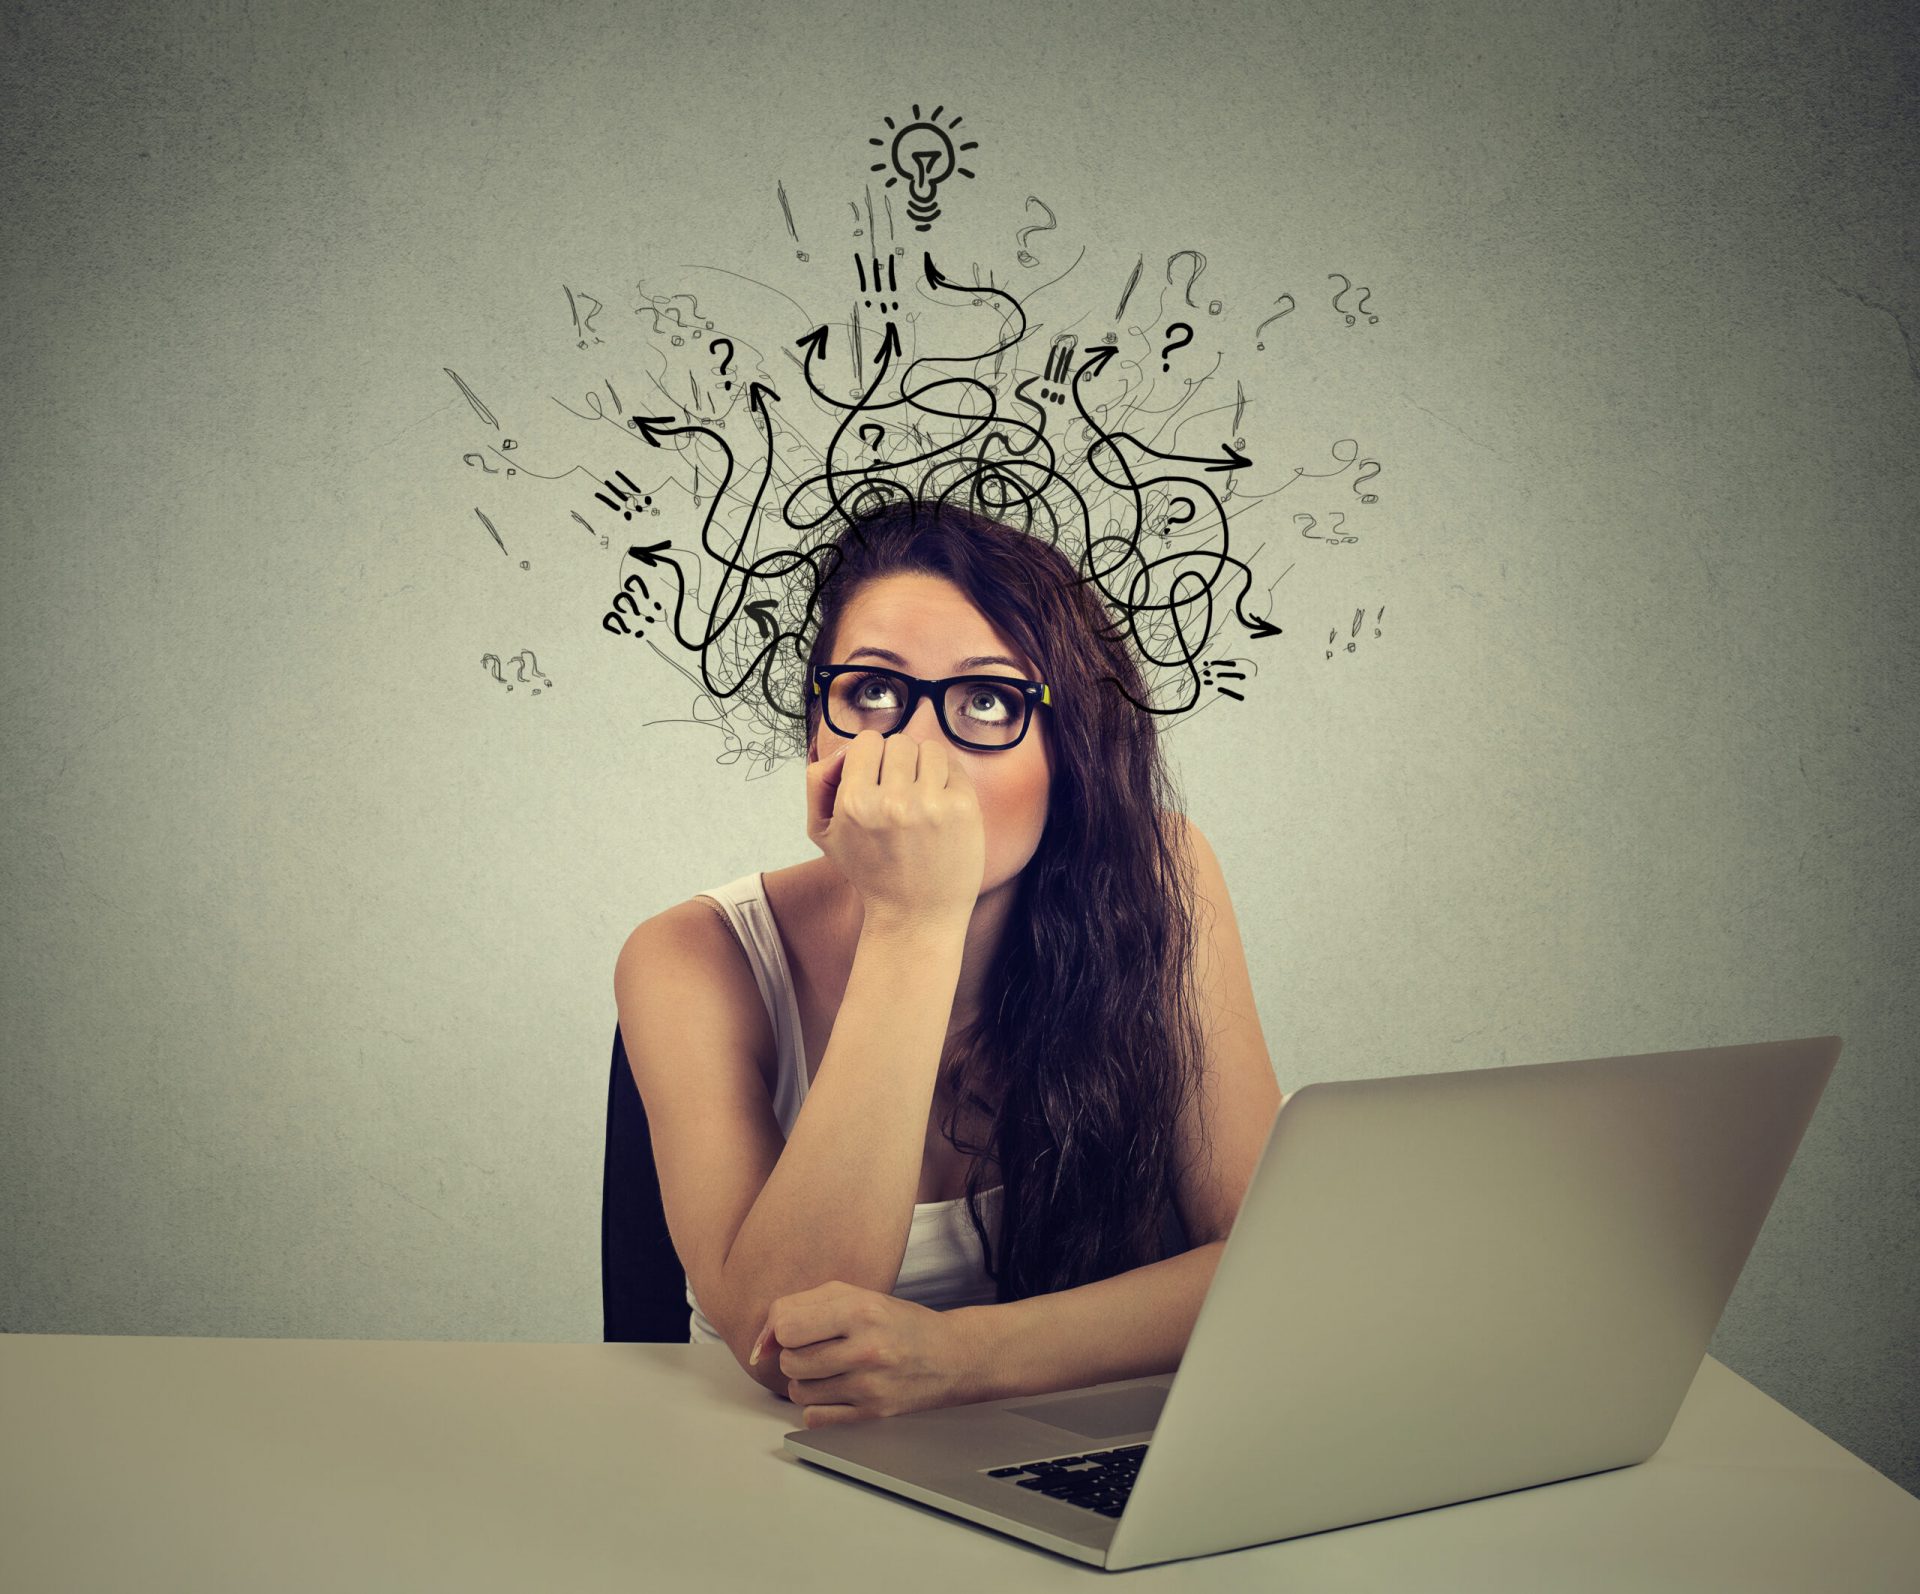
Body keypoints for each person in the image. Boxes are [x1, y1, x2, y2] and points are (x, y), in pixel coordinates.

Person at [613, 498, 1275, 1405]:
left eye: (989, 700)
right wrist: (912, 919)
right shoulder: (686, 955)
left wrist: (966, 1358)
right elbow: (780, 1339)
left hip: (1068, 1455)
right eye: (874, 693)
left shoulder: (1164, 876)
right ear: (818, 731)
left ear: (1071, 753)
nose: (916, 753)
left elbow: (1272, 1265)